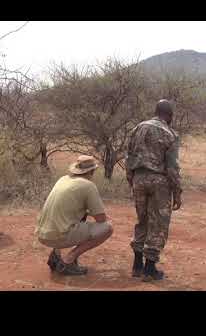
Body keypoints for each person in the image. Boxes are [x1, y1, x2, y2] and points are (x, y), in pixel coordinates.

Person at [126, 99, 182, 282]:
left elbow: (129, 155)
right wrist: (177, 191)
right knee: (157, 224)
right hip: (159, 182)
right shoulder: (170, 134)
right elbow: (172, 168)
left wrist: (131, 179)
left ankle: (137, 265)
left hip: (139, 179)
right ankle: (150, 269)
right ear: (170, 115)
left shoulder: (138, 128)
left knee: (142, 220)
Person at [35, 155, 113, 276]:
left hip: (42, 234)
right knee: (107, 228)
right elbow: (101, 219)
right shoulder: (88, 185)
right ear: (92, 171)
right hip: (58, 236)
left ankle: (55, 256)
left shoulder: (63, 179)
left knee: (71, 219)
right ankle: (68, 261)